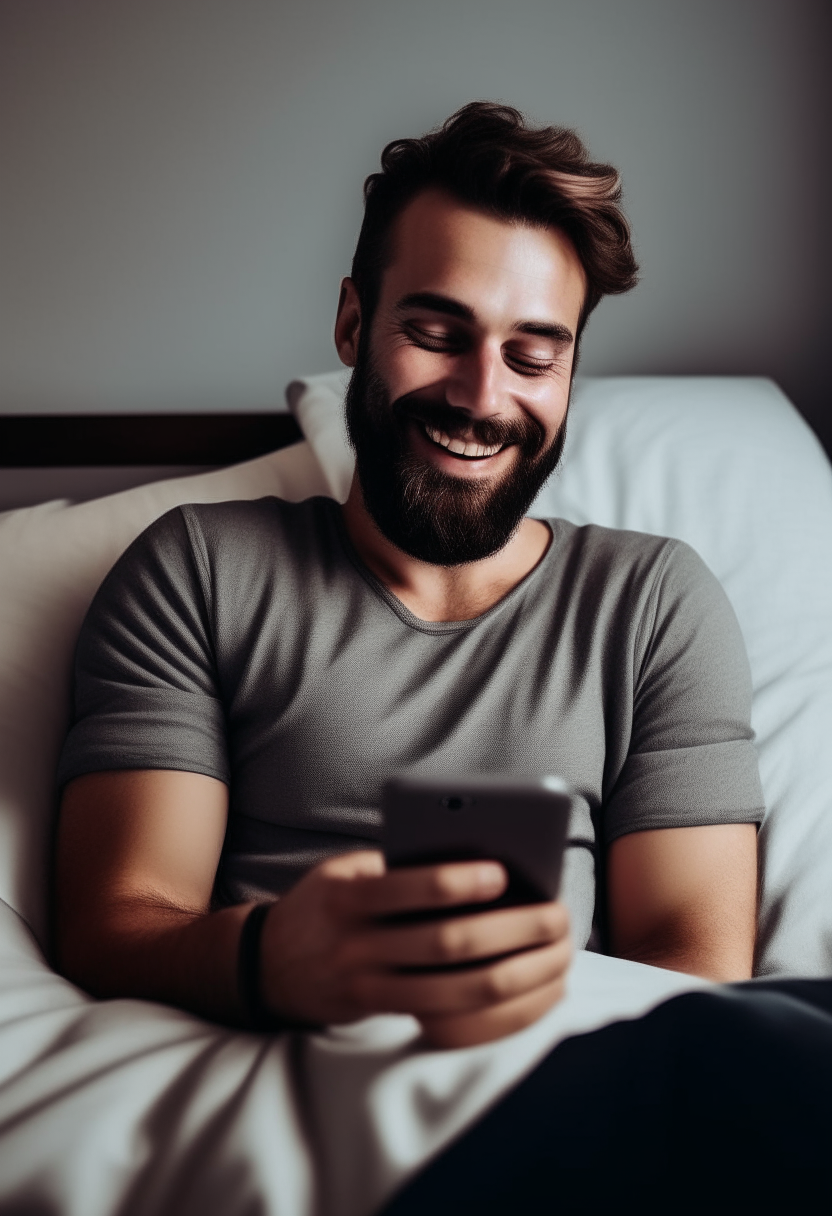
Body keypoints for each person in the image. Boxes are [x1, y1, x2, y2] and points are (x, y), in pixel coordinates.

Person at [54, 102, 763, 1051]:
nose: (482, 397)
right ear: (354, 323)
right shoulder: (199, 571)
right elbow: (116, 925)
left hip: (560, 1089)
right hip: (276, 1073)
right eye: (436, 333)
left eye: (532, 355)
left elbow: (698, 973)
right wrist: (276, 959)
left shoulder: (652, 607)